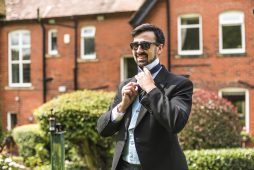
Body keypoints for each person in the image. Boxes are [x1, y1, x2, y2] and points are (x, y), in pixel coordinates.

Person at [97, 23, 193, 170]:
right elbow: (103, 130)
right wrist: (122, 107)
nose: (139, 50)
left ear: (159, 48)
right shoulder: (125, 85)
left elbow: (176, 122)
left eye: (145, 45)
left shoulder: (180, 84)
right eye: (135, 46)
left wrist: (151, 88)